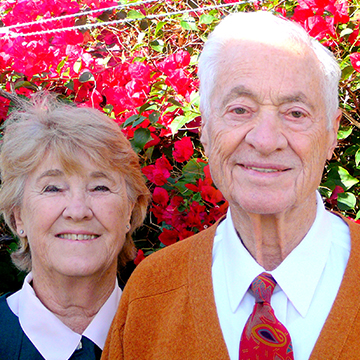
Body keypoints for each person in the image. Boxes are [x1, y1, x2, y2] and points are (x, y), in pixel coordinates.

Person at [102, 11, 360, 360]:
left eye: (295, 112)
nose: (266, 140)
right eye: (240, 109)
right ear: (205, 130)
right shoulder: (150, 294)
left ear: (331, 133)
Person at [0, 93, 150, 360]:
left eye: (100, 187)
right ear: (18, 216)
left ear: (130, 210)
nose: (78, 211)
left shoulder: (173, 334)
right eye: (53, 188)